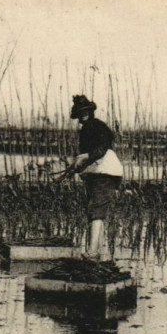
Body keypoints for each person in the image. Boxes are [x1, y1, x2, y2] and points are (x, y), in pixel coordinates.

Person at [68, 95, 123, 260]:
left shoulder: (99, 127)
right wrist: (78, 164)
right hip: (97, 173)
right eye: (80, 113)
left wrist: (84, 157)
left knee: (96, 211)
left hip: (105, 172)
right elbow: (88, 156)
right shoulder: (86, 130)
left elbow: (101, 149)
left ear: (91, 111)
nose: (83, 115)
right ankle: (97, 251)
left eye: (85, 111)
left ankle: (92, 252)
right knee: (94, 210)